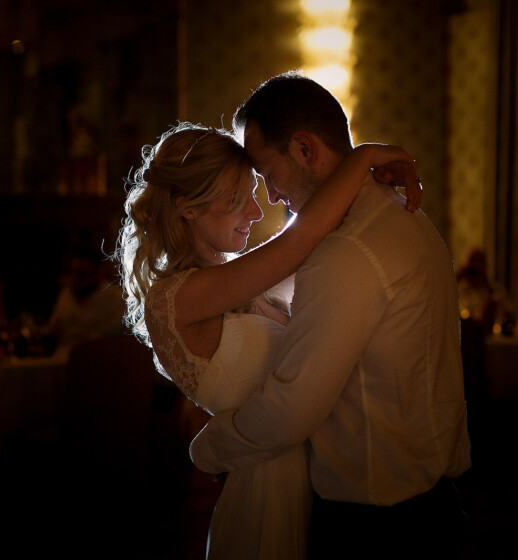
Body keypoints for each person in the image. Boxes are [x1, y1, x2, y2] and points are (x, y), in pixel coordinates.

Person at [188, 71, 472, 558]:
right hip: (432, 507)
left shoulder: (346, 252)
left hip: (376, 527)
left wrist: (207, 450)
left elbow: (290, 409)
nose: (271, 197)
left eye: (267, 176)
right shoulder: (403, 212)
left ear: (304, 148)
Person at [117, 119, 421, 558]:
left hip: (309, 478)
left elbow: (319, 243)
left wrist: (372, 184)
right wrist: (366, 156)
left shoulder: (236, 285)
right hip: (267, 490)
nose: (257, 214)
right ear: (189, 207)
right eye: (238, 201)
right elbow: (300, 240)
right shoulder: (176, 298)